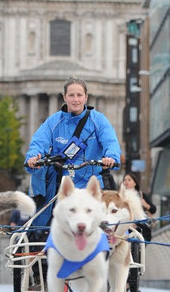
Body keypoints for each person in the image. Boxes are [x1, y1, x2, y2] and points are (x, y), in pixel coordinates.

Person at [25, 76, 121, 226]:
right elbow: (39, 141)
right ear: (64, 97)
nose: (75, 99)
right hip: (64, 185)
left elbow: (110, 141)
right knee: (46, 224)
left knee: (108, 222)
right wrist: (33, 157)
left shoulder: (98, 120)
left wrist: (111, 157)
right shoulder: (54, 121)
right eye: (71, 95)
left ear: (86, 97)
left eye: (79, 95)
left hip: (92, 183)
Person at [122, 172, 156, 241]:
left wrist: (145, 205)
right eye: (125, 180)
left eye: (129, 180)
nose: (126, 182)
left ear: (135, 183)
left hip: (142, 228)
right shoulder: (121, 196)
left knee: (140, 249)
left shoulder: (141, 195)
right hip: (127, 228)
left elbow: (153, 209)